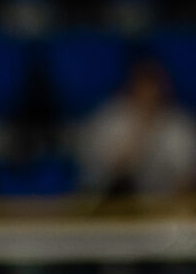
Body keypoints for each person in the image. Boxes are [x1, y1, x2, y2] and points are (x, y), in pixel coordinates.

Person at [75, 55, 196, 199]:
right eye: (143, 89)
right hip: (114, 201)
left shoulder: (179, 125)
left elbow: (186, 177)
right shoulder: (112, 119)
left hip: (165, 202)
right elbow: (103, 172)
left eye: (153, 89)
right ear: (132, 88)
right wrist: (139, 135)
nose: (148, 95)